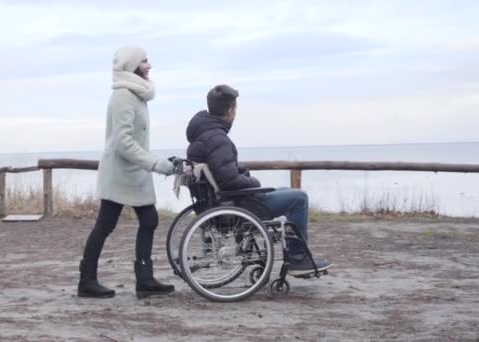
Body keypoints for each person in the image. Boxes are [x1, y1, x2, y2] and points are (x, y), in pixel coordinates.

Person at [185, 84, 333, 276]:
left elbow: (223, 171)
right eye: (235, 109)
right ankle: (297, 258)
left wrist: (242, 173)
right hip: (237, 205)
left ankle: (295, 253)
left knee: (284, 190)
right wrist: (253, 182)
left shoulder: (203, 135)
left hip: (221, 202)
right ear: (230, 111)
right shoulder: (217, 138)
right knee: (299, 199)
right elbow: (229, 181)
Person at [77, 46, 176, 299]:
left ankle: (145, 280)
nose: (149, 65)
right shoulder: (123, 95)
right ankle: (86, 281)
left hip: (136, 171)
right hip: (120, 172)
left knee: (150, 220)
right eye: (144, 61)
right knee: (105, 225)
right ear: (132, 66)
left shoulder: (138, 93)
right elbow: (123, 142)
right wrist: (155, 164)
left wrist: (154, 162)